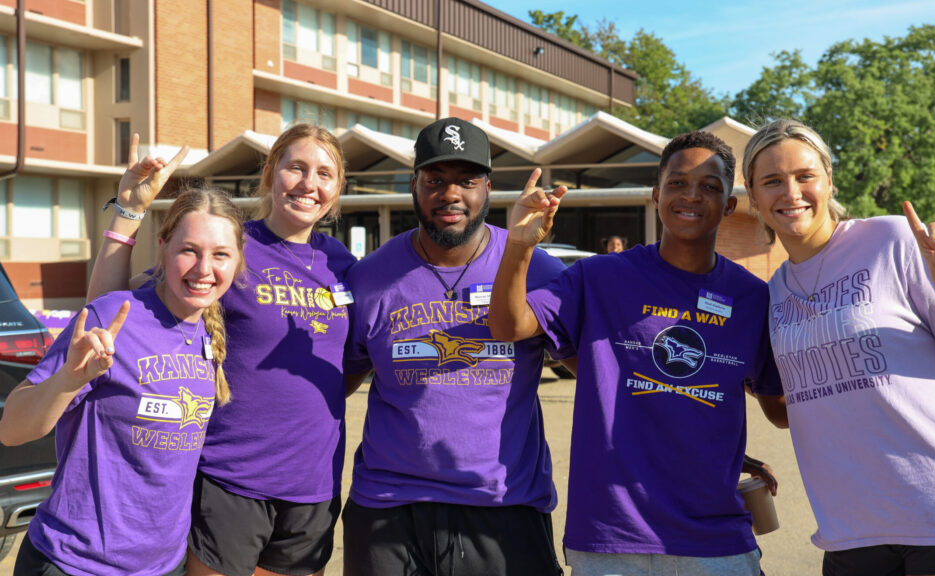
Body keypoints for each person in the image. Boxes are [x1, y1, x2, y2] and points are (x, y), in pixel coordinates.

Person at [488, 131, 787, 576]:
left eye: (710, 186)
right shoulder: (601, 277)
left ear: (729, 204)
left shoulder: (751, 298)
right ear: (655, 195)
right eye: (678, 182)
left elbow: (779, 411)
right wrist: (519, 245)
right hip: (612, 538)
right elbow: (508, 326)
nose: (692, 195)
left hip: (716, 540)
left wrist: (726, 452)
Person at [743, 118, 935, 576]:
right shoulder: (773, 293)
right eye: (772, 181)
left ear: (829, 180)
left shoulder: (890, 240)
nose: (791, 192)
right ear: (753, 198)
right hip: (852, 527)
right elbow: (791, 407)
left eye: (804, 176)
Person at [86, 124, 356, 576]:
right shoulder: (228, 246)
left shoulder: (343, 264)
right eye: (296, 168)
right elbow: (113, 309)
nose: (310, 184)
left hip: (314, 487)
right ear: (270, 174)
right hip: (230, 480)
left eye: (324, 174)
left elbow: (349, 368)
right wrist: (128, 214)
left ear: (337, 187)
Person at [342, 117, 567, 575]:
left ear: (487, 187)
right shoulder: (370, 277)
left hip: (503, 506)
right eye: (435, 180)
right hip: (388, 505)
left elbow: (598, 369)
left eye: (466, 180)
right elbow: (337, 383)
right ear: (414, 185)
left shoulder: (536, 267)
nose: (450, 194)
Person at [0, 187, 246, 576]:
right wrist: (66, 381)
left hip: (164, 566)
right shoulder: (116, 313)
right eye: (189, 250)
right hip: (74, 563)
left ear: (236, 262)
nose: (203, 269)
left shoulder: (208, 334)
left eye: (220, 254)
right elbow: (11, 429)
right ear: (163, 247)